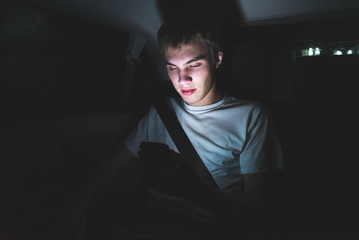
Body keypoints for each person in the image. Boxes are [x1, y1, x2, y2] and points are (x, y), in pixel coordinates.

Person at [63, 15, 284, 240]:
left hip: (213, 229)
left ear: (217, 59)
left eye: (194, 65)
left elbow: (255, 207)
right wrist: (78, 206)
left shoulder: (251, 116)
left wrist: (196, 189)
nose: (182, 79)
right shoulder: (161, 112)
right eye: (172, 68)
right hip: (152, 225)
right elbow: (113, 164)